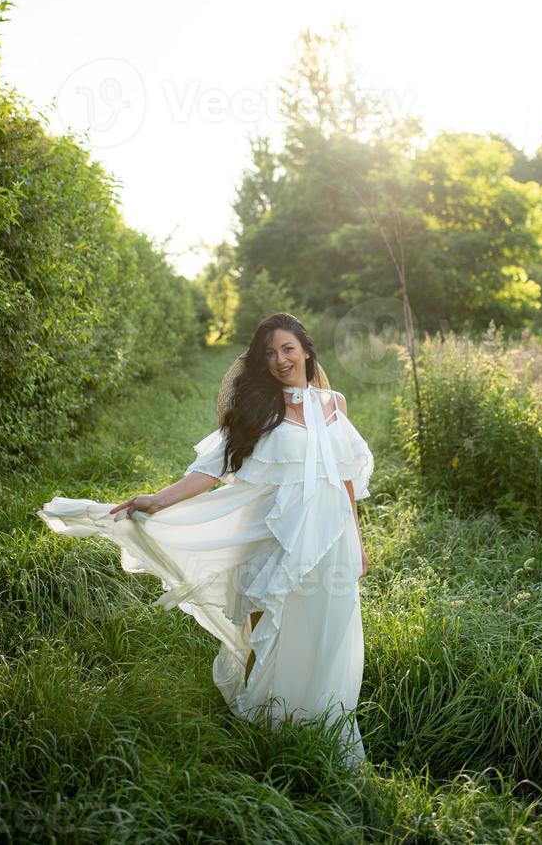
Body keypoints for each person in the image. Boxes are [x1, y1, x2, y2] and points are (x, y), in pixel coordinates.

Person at [38, 312, 374, 766]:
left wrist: (357, 537)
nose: (280, 359)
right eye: (270, 352)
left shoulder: (335, 403)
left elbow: (347, 476)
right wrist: (158, 499)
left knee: (329, 630)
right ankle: (261, 723)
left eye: (288, 349)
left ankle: (321, 723)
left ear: (307, 350)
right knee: (269, 626)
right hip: (276, 536)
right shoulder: (260, 410)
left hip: (332, 536)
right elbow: (210, 469)